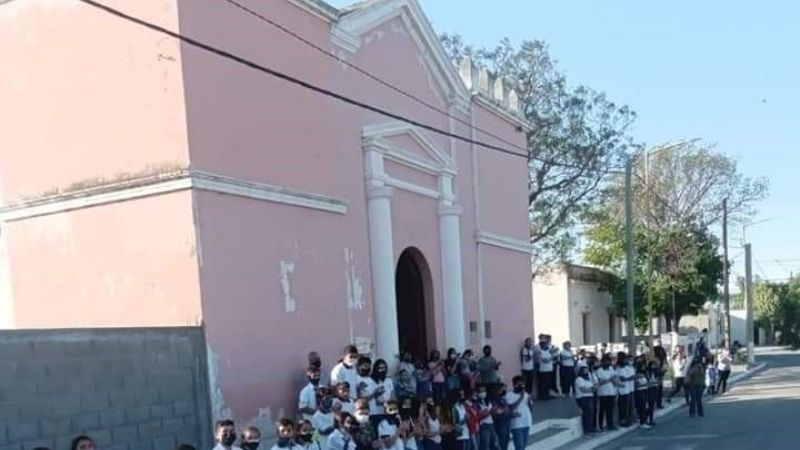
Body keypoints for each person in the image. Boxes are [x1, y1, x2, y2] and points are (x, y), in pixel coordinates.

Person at [505, 376, 532, 450]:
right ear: (514, 385)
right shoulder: (509, 395)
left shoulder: (526, 394)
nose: (521, 386)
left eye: (522, 384)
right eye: (518, 384)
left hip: (526, 422)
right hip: (516, 424)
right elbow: (512, 407)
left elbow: (530, 408)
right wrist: (520, 398)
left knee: (524, 445)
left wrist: (530, 402)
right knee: (519, 446)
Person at [594, 354, 617, 431]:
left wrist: (610, 380)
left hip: (611, 392)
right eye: (605, 361)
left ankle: (610, 425)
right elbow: (600, 382)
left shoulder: (610, 369)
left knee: (610, 410)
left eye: (608, 361)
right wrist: (609, 380)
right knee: (602, 410)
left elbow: (614, 377)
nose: (607, 363)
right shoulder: (599, 371)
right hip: (603, 393)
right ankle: (600, 426)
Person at [574, 362, 597, 435]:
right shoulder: (579, 379)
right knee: (586, 414)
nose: (587, 371)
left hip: (590, 397)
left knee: (591, 414)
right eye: (585, 369)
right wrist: (592, 389)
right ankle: (587, 430)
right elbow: (583, 390)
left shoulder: (588, 379)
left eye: (587, 369)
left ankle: (591, 428)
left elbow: (593, 386)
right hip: (583, 398)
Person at [475, 386, 498, 450]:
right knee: (485, 445)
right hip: (483, 425)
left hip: (491, 424)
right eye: (480, 391)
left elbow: (494, 414)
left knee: (495, 444)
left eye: (483, 391)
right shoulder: (476, 403)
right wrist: (489, 412)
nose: (482, 393)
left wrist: (494, 411)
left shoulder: (489, 401)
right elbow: (479, 416)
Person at [616, 352, 635, 428]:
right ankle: (623, 420)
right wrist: (632, 378)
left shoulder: (627, 367)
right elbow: (622, 378)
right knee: (623, 407)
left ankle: (628, 419)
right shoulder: (619, 368)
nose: (626, 360)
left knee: (628, 406)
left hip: (628, 389)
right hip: (622, 390)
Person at [535, 335, 555, 400]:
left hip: (549, 369)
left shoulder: (548, 350)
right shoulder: (539, 351)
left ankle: (547, 394)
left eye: (545, 344)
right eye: (543, 344)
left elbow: (553, 356)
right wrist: (550, 358)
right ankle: (542, 396)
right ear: (541, 345)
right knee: (543, 384)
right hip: (543, 370)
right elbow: (544, 360)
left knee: (548, 383)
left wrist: (551, 356)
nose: (545, 345)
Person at [492, 384, 511, 450]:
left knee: (506, 441)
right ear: (498, 391)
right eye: (502, 389)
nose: (504, 390)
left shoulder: (503, 399)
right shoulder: (495, 400)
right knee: (501, 443)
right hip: (500, 424)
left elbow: (507, 410)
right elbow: (495, 413)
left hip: (507, 423)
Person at [633, 362, 651, 429]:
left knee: (645, 407)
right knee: (641, 408)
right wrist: (645, 385)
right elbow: (636, 385)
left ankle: (645, 421)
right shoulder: (637, 375)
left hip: (645, 391)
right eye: (643, 366)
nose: (644, 367)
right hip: (639, 392)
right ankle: (642, 422)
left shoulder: (644, 374)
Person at [644, 360, 659, 427]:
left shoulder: (656, 372)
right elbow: (649, 380)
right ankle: (646, 418)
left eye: (654, 365)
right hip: (649, 388)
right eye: (652, 365)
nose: (654, 366)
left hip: (654, 388)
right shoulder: (647, 372)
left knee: (652, 405)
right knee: (650, 404)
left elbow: (657, 380)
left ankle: (651, 419)